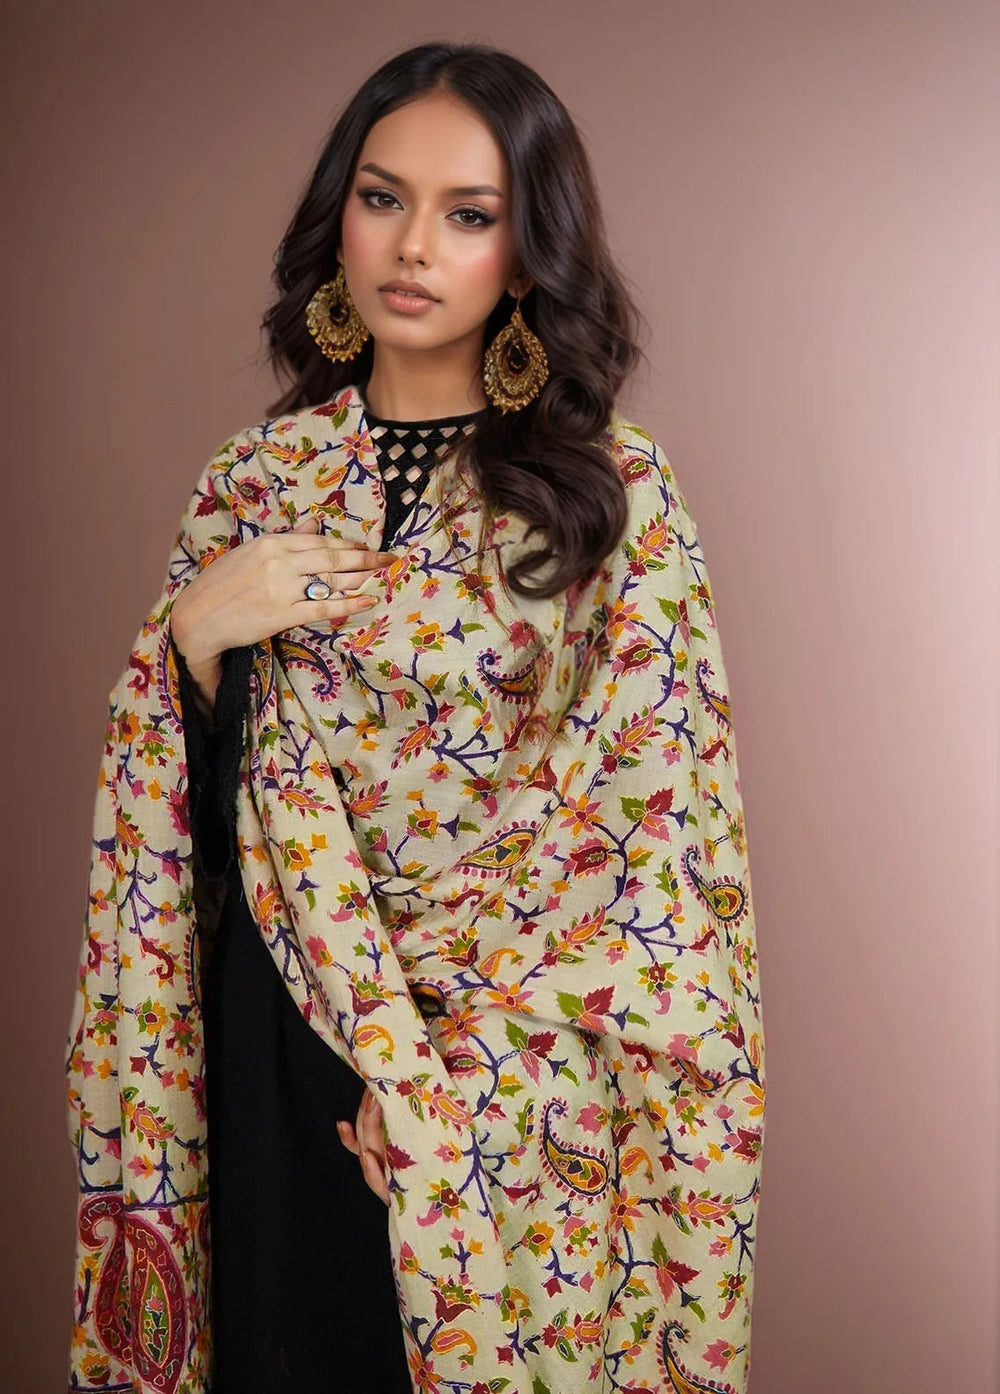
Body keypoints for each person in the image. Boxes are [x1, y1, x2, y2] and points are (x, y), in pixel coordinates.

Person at [66, 40, 766, 1394]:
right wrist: (191, 643)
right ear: (340, 215)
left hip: (503, 1086)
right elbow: (185, 837)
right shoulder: (254, 483)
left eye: (469, 213)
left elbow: (643, 849)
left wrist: (452, 1081)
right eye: (383, 198)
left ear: (529, 252)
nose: (415, 245)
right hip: (280, 1041)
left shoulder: (613, 495)